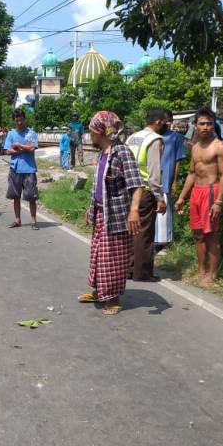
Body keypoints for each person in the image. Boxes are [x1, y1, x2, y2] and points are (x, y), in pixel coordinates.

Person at [78, 111, 145, 315]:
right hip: (101, 213)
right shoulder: (103, 153)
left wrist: (134, 211)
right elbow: (99, 185)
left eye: (92, 130)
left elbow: (137, 184)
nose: (90, 134)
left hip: (117, 216)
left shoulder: (122, 152)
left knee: (113, 259)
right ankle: (99, 292)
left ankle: (113, 299)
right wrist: (91, 208)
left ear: (101, 131)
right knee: (98, 255)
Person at [174, 108, 223, 286]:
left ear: (214, 125)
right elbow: (192, 173)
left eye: (209, 124)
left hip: (211, 192)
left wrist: (218, 201)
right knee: (198, 235)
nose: (205, 127)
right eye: (202, 124)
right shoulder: (195, 147)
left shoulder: (219, 146)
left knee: (211, 235)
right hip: (196, 193)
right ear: (196, 126)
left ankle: (212, 275)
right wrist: (182, 197)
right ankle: (201, 272)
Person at [125, 107, 168, 281]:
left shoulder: (132, 137)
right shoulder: (155, 140)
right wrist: (160, 198)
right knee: (144, 233)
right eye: (165, 122)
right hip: (144, 192)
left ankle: (129, 268)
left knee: (131, 230)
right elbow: (154, 173)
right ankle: (142, 273)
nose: (165, 126)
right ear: (158, 122)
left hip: (128, 189)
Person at [155, 110, 187, 250]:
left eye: (169, 120)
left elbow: (178, 160)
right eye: (164, 120)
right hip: (152, 179)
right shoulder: (153, 136)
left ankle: (163, 243)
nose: (166, 123)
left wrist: (174, 180)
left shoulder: (176, 137)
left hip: (166, 177)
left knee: (165, 212)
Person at [4, 108, 39, 229]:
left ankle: (33, 221)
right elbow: (7, 151)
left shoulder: (31, 133)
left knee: (31, 197)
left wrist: (19, 145)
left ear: (25, 119)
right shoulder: (11, 134)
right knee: (15, 196)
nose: (19, 122)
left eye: (21, 120)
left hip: (29, 169)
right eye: (17, 120)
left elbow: (32, 148)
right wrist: (24, 149)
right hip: (15, 169)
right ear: (14, 120)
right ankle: (17, 220)